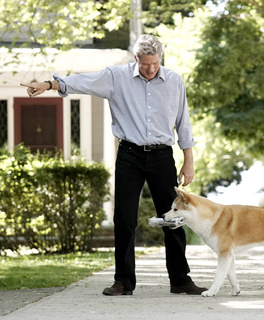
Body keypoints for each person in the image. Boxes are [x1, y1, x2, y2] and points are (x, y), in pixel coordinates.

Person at [21, 34, 207, 296]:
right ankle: (123, 282)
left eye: (155, 64)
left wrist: (189, 161)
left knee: (173, 218)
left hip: (163, 156)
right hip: (129, 155)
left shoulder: (174, 80)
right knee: (124, 219)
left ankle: (180, 280)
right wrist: (49, 84)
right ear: (135, 59)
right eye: (145, 64)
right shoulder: (116, 77)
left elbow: (183, 123)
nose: (151, 69)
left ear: (160, 59)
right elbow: (81, 82)